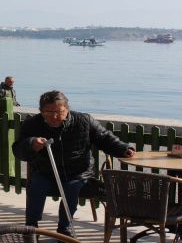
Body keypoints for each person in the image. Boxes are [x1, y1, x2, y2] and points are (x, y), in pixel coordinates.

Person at [11, 90, 135, 237]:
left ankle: (65, 228)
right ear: (41, 111)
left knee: (71, 187)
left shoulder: (84, 120)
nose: (54, 117)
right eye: (48, 112)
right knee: (37, 185)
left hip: (78, 172)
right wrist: (31, 144)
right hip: (46, 171)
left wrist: (123, 148)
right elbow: (18, 149)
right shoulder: (32, 124)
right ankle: (31, 227)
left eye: (59, 112)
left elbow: (105, 138)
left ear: (67, 108)